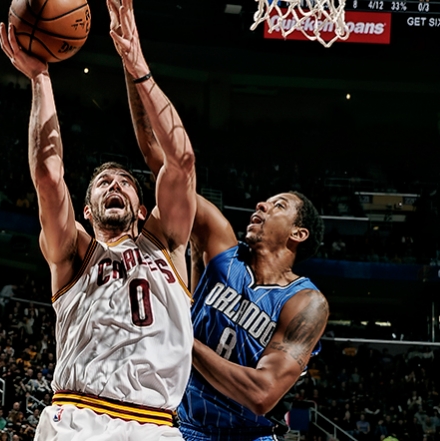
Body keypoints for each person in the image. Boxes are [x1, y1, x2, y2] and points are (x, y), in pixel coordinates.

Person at [0, 0, 197, 437]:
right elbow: (49, 176)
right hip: (77, 418)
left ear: (143, 210)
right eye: (103, 182)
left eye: (124, 181)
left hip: (155, 426)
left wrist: (137, 66)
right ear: (86, 211)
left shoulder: (168, 244)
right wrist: (41, 78)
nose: (114, 185)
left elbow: (180, 160)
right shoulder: (73, 253)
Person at [124, 65, 327, 441]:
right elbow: (161, 158)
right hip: (180, 423)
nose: (262, 204)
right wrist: (132, 62)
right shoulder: (220, 246)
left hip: (246, 433)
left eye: (278, 205)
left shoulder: (306, 302)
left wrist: (180, 335)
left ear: (299, 234)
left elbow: (262, 393)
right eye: (266, 200)